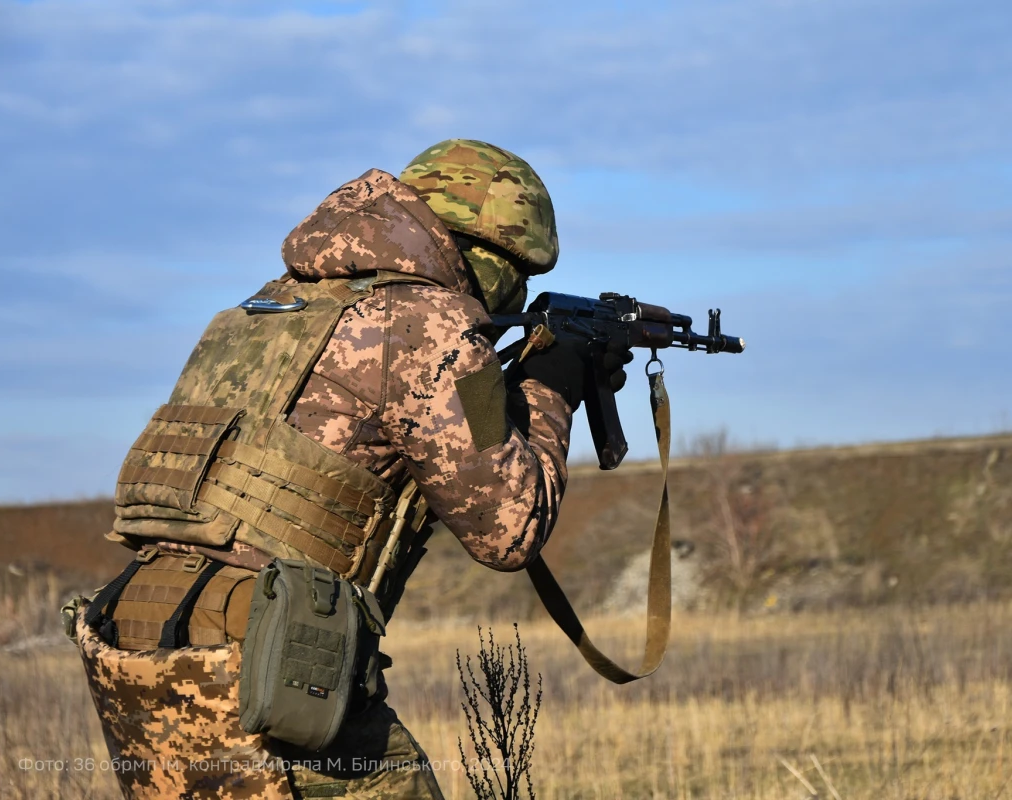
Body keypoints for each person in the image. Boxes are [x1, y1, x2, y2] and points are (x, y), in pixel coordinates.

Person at [71, 139, 631, 799]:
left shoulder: (262, 310)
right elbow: (507, 528)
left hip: (139, 646)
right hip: (266, 661)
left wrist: (502, 389)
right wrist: (551, 386)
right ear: (486, 255)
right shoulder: (433, 323)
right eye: (518, 276)